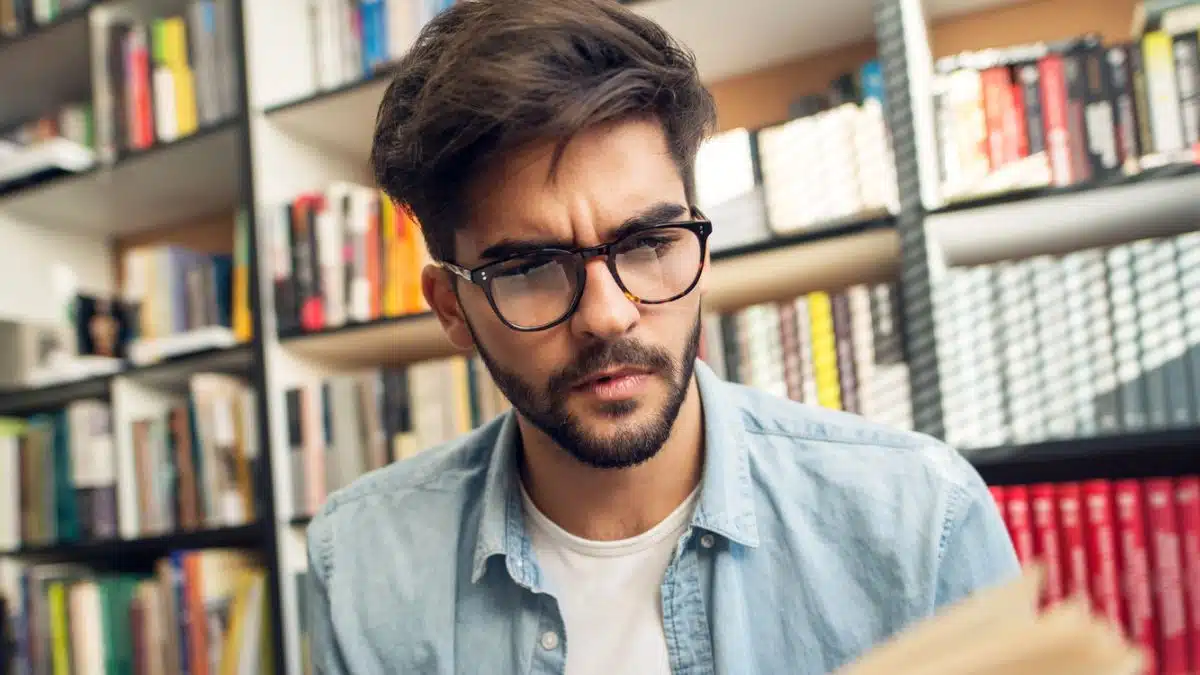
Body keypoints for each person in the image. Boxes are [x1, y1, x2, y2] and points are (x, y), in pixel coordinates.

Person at [305, 0, 1021, 673]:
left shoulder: (922, 521)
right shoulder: (363, 562)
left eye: (648, 243)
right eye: (530, 266)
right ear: (451, 306)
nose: (608, 314)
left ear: (703, 251)